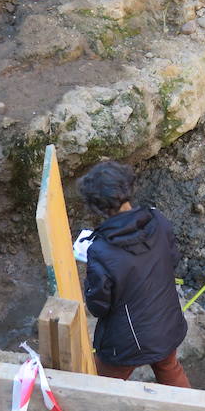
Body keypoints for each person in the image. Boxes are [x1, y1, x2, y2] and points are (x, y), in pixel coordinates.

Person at [77, 160, 190, 388]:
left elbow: (98, 306)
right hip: (166, 324)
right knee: (169, 367)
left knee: (100, 386)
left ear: (96, 207)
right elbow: (172, 261)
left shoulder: (100, 250)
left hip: (126, 340)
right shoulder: (158, 220)